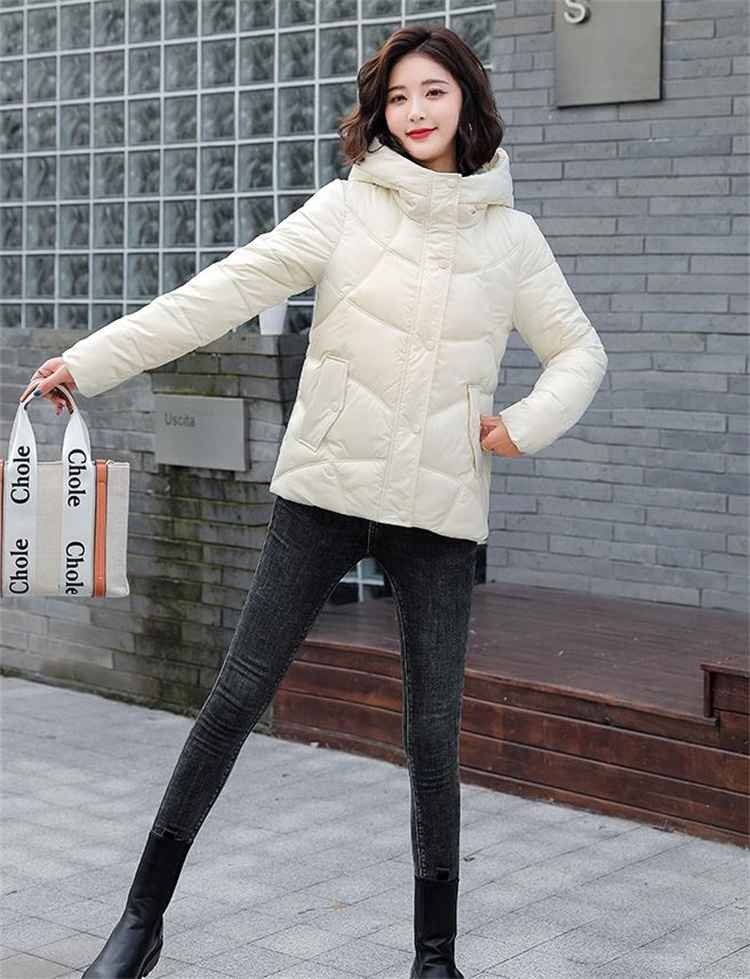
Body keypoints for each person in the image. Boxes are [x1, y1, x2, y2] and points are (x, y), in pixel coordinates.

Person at [21, 25, 608, 979]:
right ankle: (139, 920)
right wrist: (87, 363)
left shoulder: (512, 238)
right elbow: (215, 295)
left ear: (468, 99)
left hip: (439, 511)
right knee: (235, 698)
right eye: (398, 97)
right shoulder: (346, 208)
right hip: (325, 492)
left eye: (434, 91)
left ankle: (435, 958)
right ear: (380, 111)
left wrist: (523, 424)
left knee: (432, 735)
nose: (415, 112)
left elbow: (580, 350)